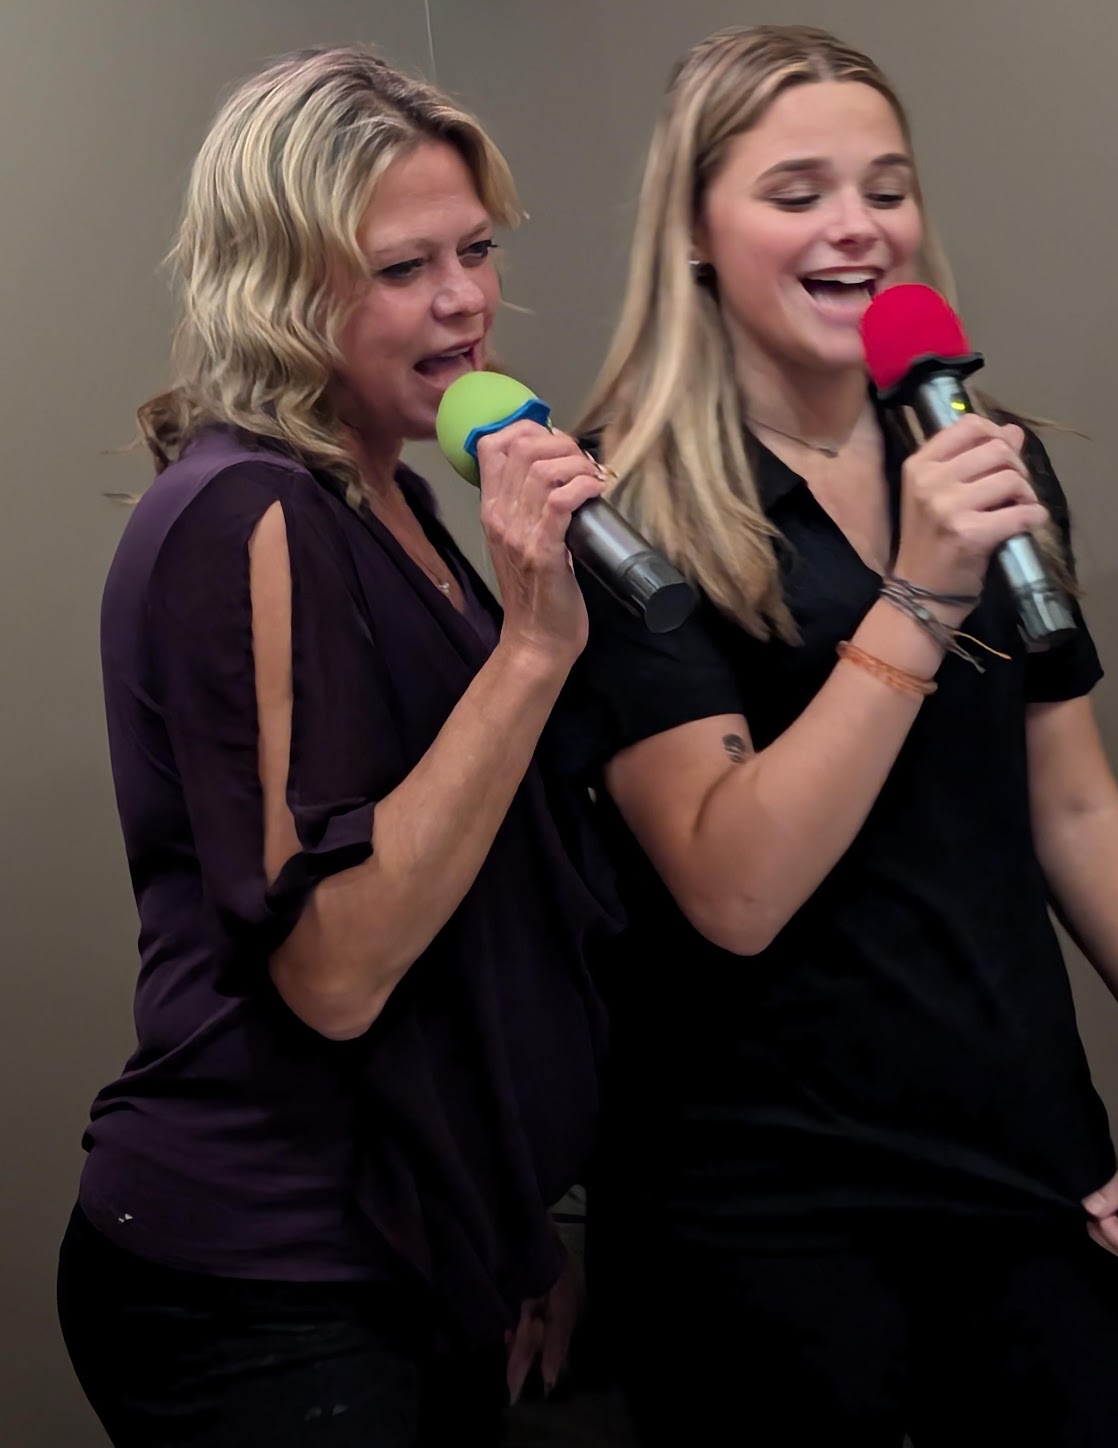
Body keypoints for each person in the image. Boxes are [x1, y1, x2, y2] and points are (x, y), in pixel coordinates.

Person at [557, 24, 1118, 1447]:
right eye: (796, 191)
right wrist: (920, 590)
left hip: (1026, 1169)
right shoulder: (624, 512)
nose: (858, 227)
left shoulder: (979, 454)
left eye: (887, 184)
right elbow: (734, 889)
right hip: (766, 1210)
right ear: (695, 228)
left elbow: (1074, 806)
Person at [58, 47, 614, 1447]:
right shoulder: (240, 515)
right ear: (282, 285)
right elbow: (338, 970)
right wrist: (537, 651)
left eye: (475, 250)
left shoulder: (398, 505)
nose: (467, 301)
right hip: (269, 1281)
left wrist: (515, 1233)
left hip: (419, 1247)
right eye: (401, 268)